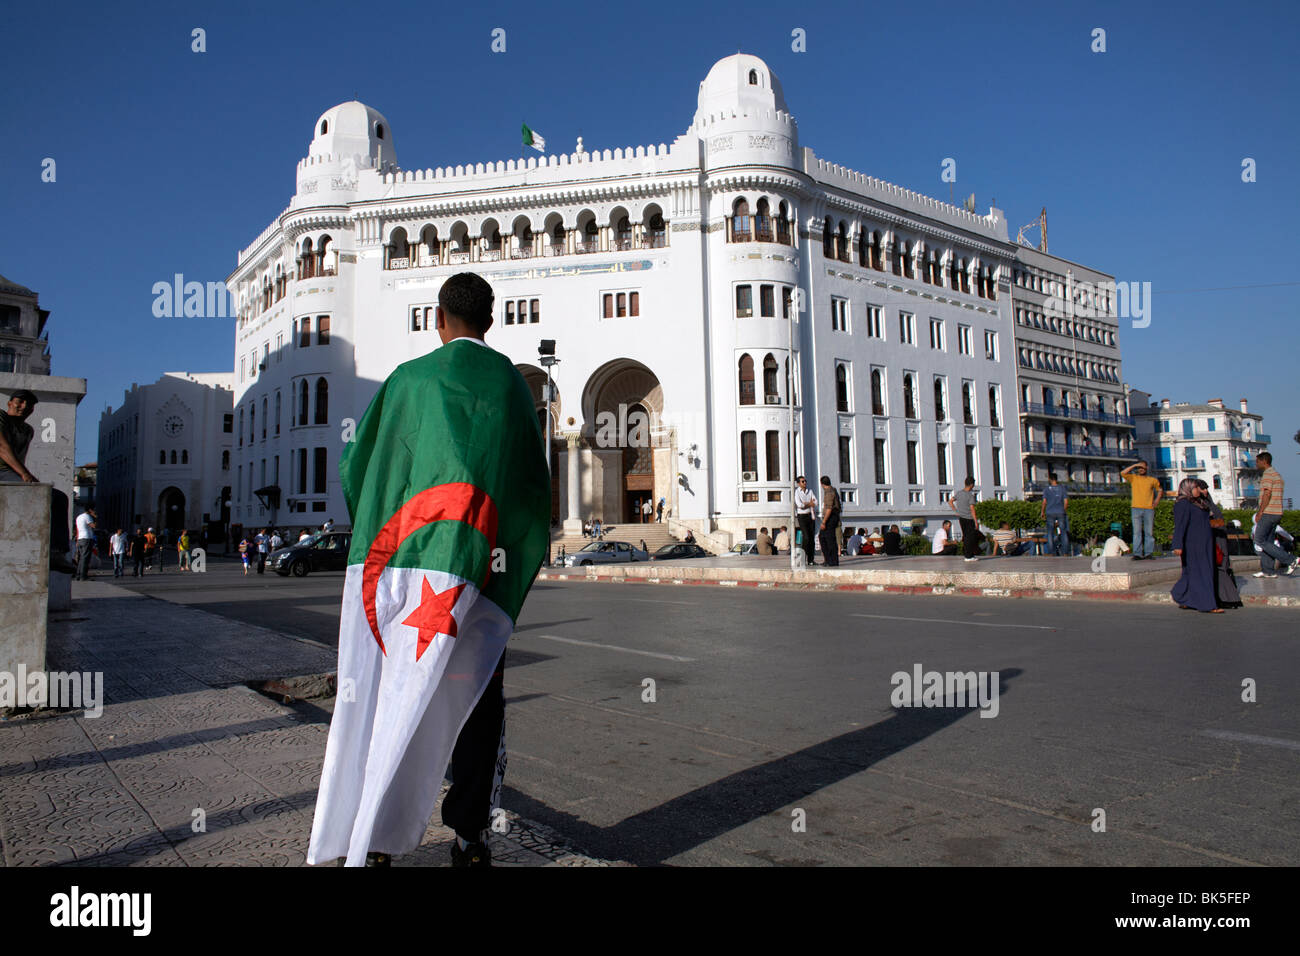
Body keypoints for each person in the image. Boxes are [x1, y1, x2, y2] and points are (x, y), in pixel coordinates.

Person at [308, 272, 550, 870]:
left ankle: (378, 841)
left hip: (405, 574)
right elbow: (529, 495)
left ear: (438, 319)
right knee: (473, 707)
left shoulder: (407, 382)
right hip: (477, 580)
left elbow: (361, 468)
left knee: (395, 695)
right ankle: (470, 841)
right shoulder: (514, 390)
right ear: (490, 323)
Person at [0, 389, 78, 574]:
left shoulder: (28, 430)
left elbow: (20, 456)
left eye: (29, 405)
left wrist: (24, 477)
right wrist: (25, 475)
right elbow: (2, 448)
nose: (24, 407)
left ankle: (56, 553)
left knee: (57, 497)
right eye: (20, 402)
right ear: (9, 403)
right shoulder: (1, 417)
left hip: (10, 474)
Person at [1170, 477, 1223, 612]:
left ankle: (1185, 597)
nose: (1198, 490)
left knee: (1193, 573)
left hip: (1204, 542)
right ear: (1187, 489)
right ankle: (1208, 605)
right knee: (1202, 572)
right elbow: (1180, 525)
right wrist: (1177, 545)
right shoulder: (1182, 504)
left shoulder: (1197, 503)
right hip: (1193, 544)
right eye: (1195, 488)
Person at [1195, 478, 1241, 607]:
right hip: (1212, 540)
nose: (1204, 491)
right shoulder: (1199, 503)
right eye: (1201, 488)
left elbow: (1215, 521)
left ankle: (1225, 598)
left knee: (1220, 568)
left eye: (1205, 488)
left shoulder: (1207, 503)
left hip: (1217, 540)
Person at [1252, 451, 1296, 577]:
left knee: (1259, 540)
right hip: (1277, 512)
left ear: (1264, 461)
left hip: (1268, 512)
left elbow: (1267, 494)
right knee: (1268, 542)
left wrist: (1260, 512)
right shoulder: (1277, 475)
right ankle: (1268, 571)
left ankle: (1291, 560)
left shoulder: (1267, 475)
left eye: (1257, 461)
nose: (1256, 464)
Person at [1120, 461, 1163, 559]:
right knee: (1136, 532)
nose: (1141, 469)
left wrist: (1157, 500)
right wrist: (1134, 465)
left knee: (1149, 532)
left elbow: (1160, 490)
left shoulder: (1152, 480)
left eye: (1142, 467)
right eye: (1139, 468)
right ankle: (1137, 554)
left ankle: (1148, 553)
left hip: (1149, 509)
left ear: (1147, 468)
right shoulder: (1134, 478)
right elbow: (1123, 473)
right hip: (1136, 508)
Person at [951, 476, 983, 562]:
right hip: (969, 518)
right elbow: (972, 509)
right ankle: (969, 556)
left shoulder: (959, 493)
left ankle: (968, 555)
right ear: (972, 485)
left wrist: (956, 511)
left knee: (965, 536)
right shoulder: (970, 496)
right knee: (970, 538)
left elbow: (950, 501)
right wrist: (976, 521)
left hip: (961, 518)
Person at [1040, 473, 1069, 557]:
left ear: (1050, 479)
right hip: (1060, 512)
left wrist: (1042, 511)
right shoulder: (1062, 488)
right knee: (1063, 532)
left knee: (1050, 533)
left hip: (1050, 512)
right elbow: (1066, 502)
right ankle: (1065, 552)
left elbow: (1044, 502)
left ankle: (1051, 552)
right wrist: (1063, 511)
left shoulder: (1047, 489)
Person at [817, 476, 841, 567]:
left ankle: (831, 560)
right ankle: (830, 560)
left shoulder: (829, 493)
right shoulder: (833, 490)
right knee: (826, 538)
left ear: (822, 484)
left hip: (830, 517)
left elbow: (829, 508)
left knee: (827, 539)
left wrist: (824, 522)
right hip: (834, 516)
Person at [794, 475, 817, 565]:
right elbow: (800, 505)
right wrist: (809, 503)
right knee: (806, 537)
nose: (805, 483)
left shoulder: (810, 491)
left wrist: (807, 504)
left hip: (810, 516)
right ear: (798, 483)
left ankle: (811, 559)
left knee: (811, 538)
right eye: (802, 481)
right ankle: (802, 558)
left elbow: (815, 502)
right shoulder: (797, 492)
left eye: (805, 481)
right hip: (802, 516)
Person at [73, 505, 96, 580]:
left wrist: (77, 539)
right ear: (90, 510)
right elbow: (94, 526)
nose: (94, 511)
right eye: (93, 510)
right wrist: (95, 517)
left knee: (81, 558)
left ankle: (78, 574)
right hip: (87, 538)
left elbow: (77, 529)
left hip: (80, 538)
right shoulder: (87, 516)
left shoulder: (79, 517)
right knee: (85, 557)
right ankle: (83, 575)